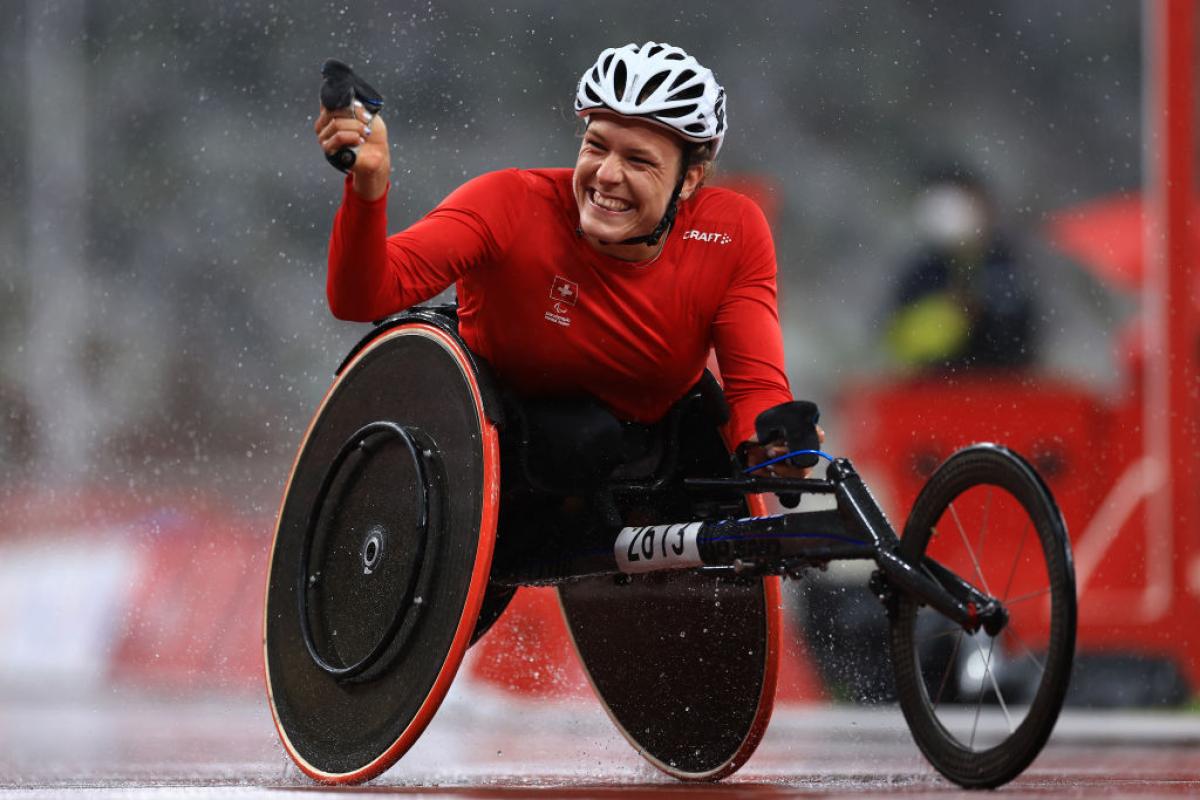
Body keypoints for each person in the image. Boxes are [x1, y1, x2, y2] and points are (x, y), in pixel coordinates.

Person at [313, 41, 815, 483]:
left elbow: (756, 389)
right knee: (583, 439)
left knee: (700, 435)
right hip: (500, 436)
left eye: (638, 161)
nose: (607, 176)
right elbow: (362, 297)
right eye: (596, 146)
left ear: (689, 180)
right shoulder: (506, 202)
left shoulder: (734, 230)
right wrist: (368, 186)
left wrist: (773, 446)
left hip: (648, 444)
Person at [884, 165, 1038, 370]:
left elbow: (1026, 333)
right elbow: (902, 340)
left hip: (1003, 387)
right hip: (936, 388)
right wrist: (950, 314)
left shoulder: (1007, 262)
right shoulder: (925, 269)